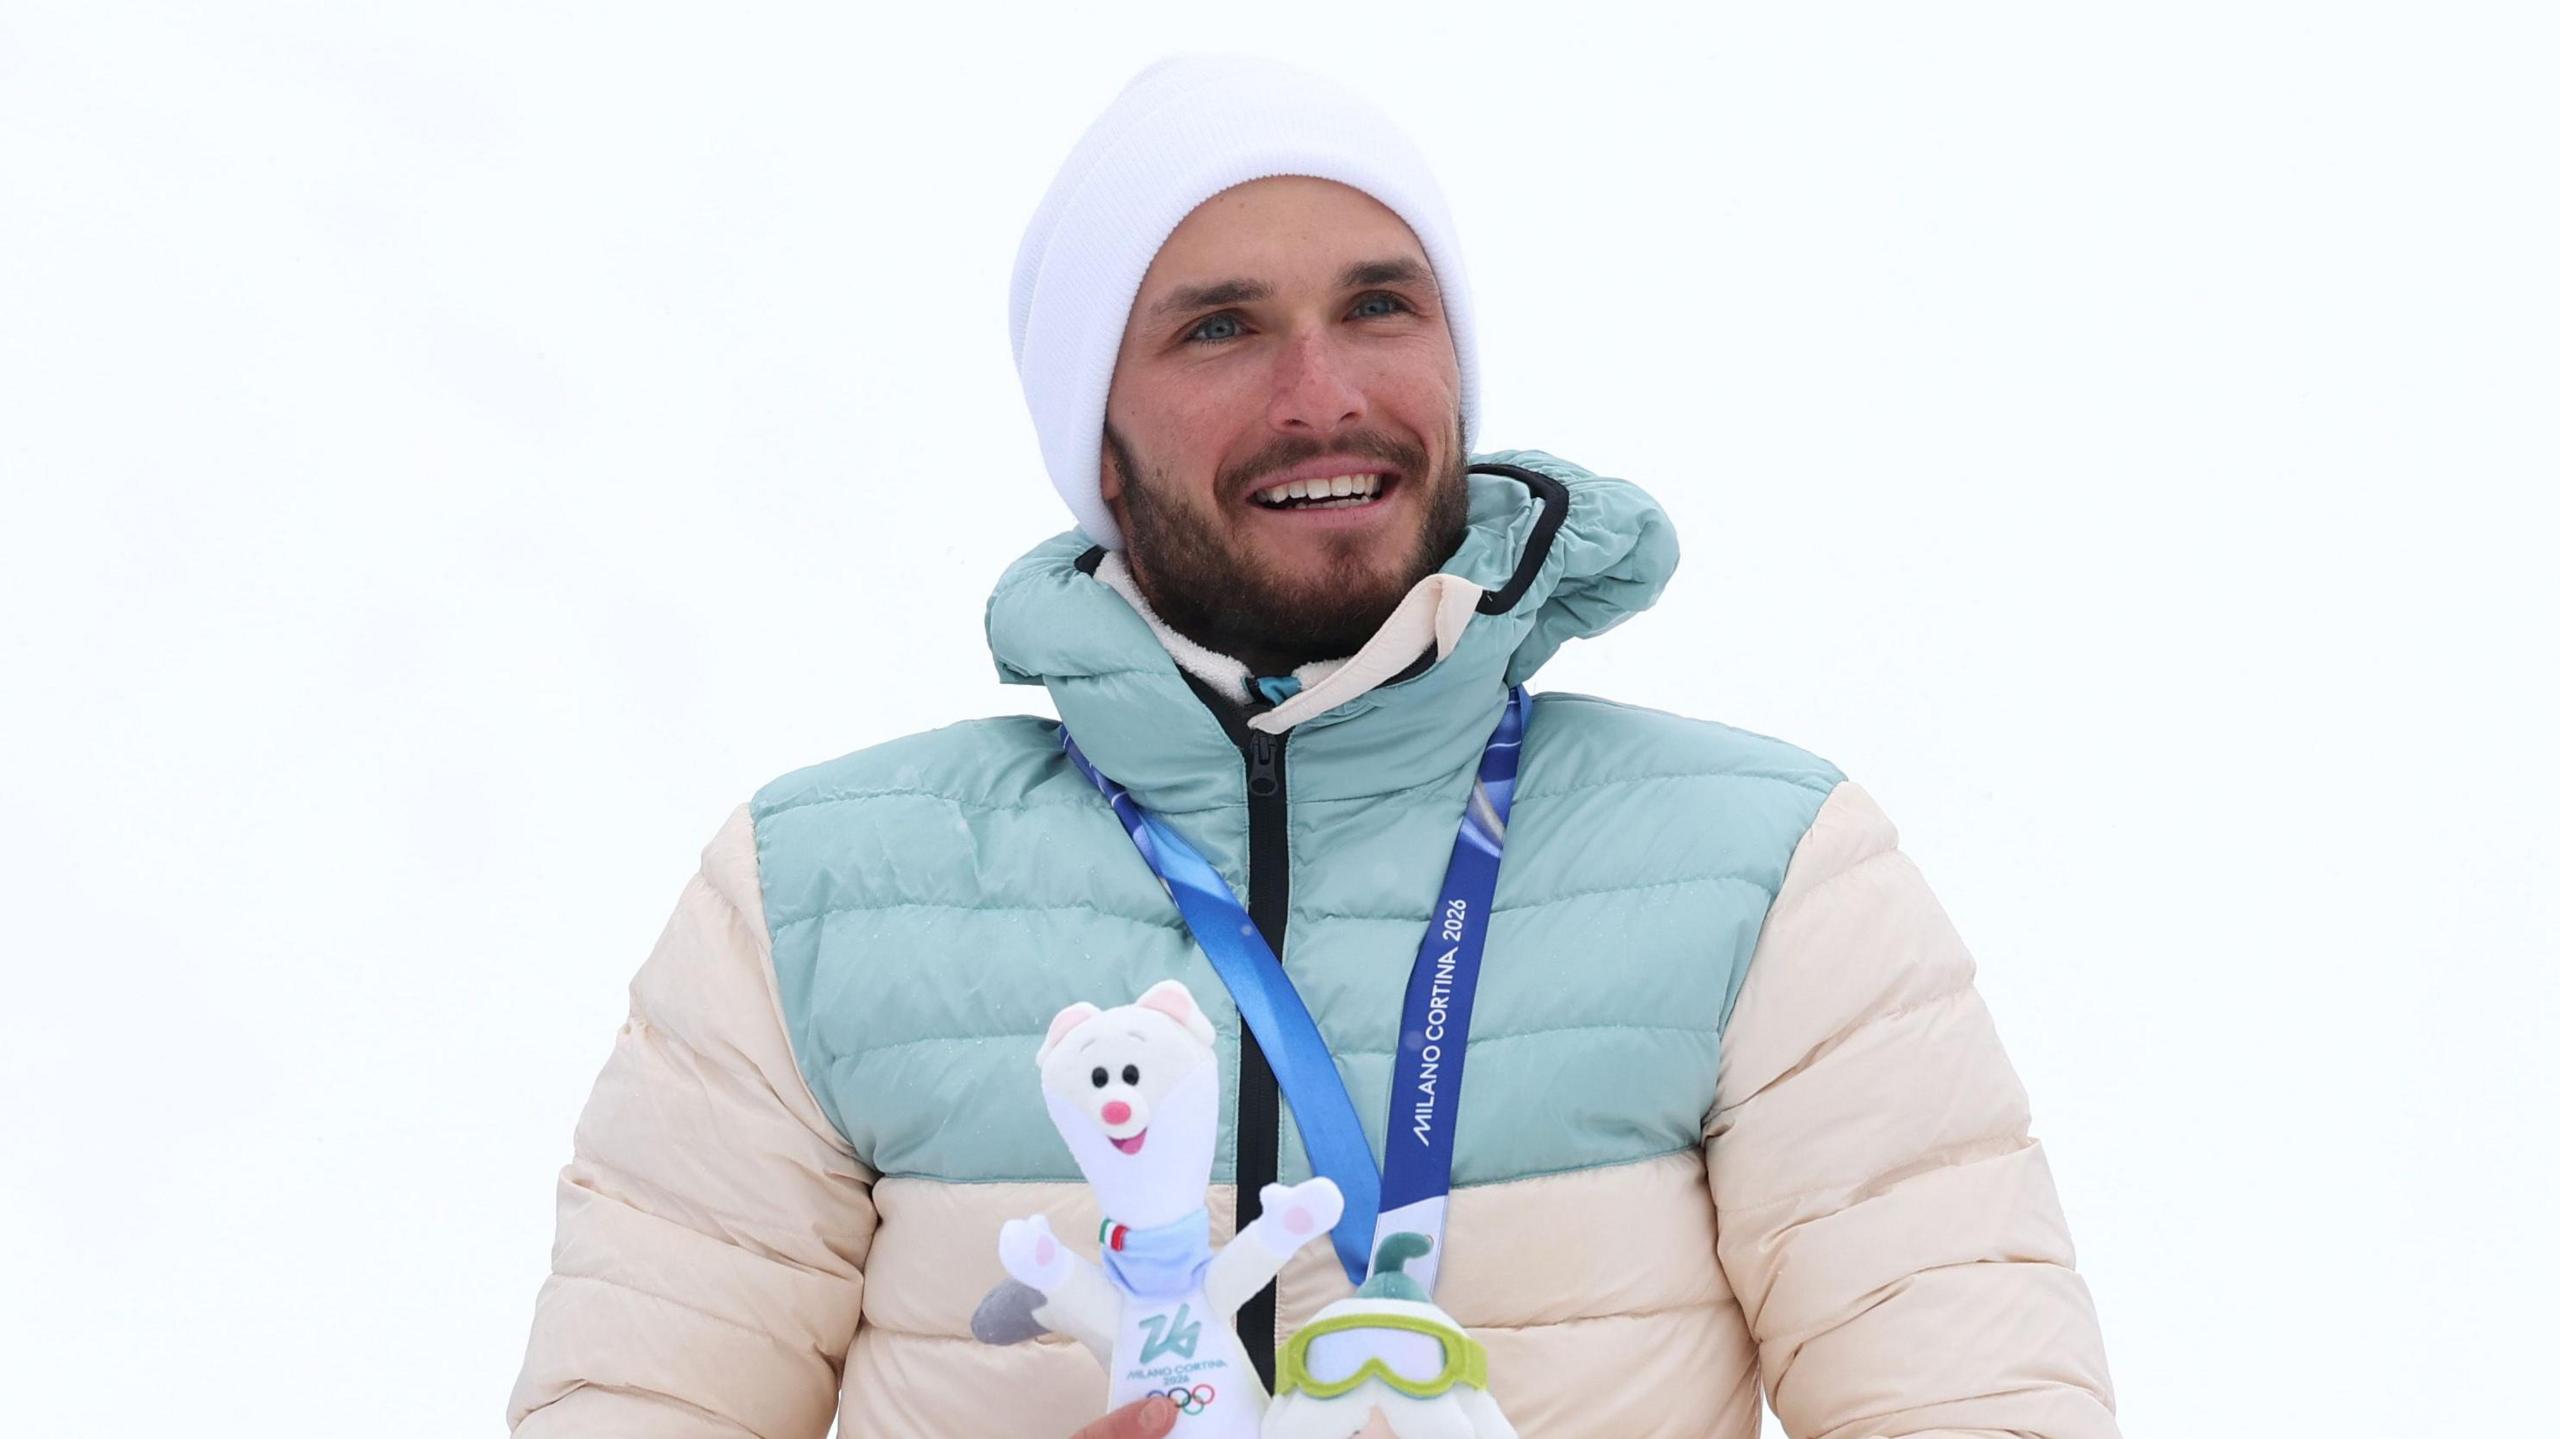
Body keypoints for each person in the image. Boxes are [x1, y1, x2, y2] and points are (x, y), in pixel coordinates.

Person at [506, 52, 2120, 1439]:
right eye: (1219, 328)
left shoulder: (1766, 874)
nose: (1321, 390)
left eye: (1379, 305)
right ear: (1098, 445)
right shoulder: (816, 898)